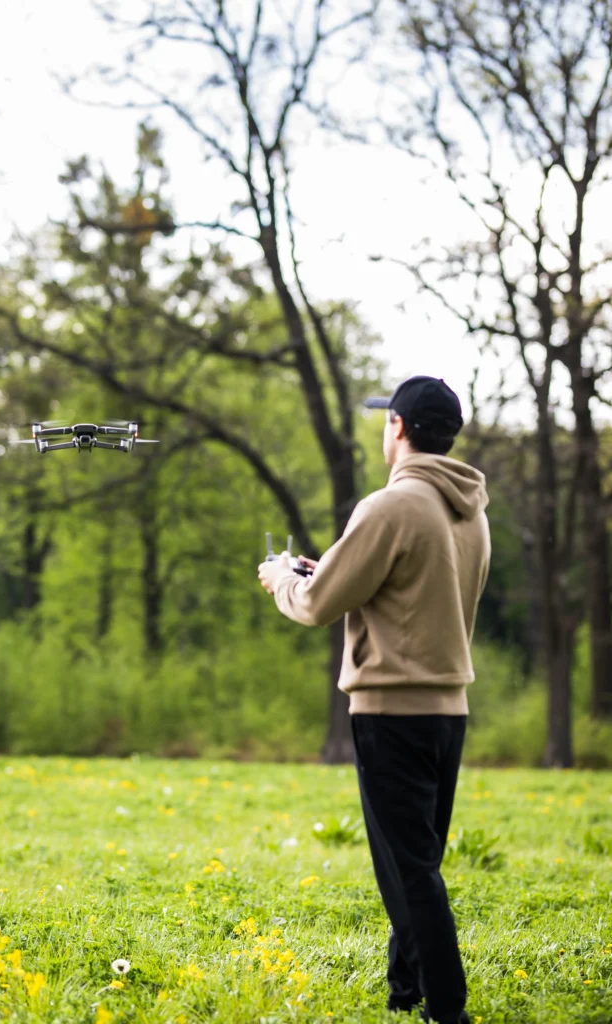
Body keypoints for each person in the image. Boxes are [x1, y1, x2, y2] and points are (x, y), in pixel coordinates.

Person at [257, 375, 490, 1024]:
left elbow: (318, 604)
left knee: (410, 873)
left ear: (399, 427)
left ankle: (446, 1010)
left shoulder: (389, 506)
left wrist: (283, 578)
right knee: (415, 863)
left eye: (387, 420)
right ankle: (404, 990)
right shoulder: (468, 509)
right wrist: (319, 569)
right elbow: (397, 590)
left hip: (391, 714)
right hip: (448, 712)